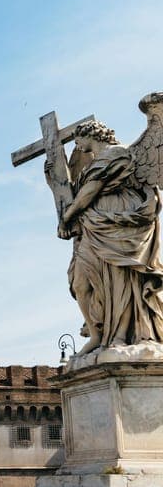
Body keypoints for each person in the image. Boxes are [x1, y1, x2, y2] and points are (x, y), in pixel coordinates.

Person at [54, 113, 163, 355]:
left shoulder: (117, 153)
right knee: (79, 282)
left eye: (78, 140)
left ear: (89, 134)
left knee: (121, 280)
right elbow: (76, 191)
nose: (77, 146)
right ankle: (97, 335)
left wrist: (68, 216)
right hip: (94, 226)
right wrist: (53, 177)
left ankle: (122, 334)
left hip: (118, 222)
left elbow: (89, 192)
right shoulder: (94, 161)